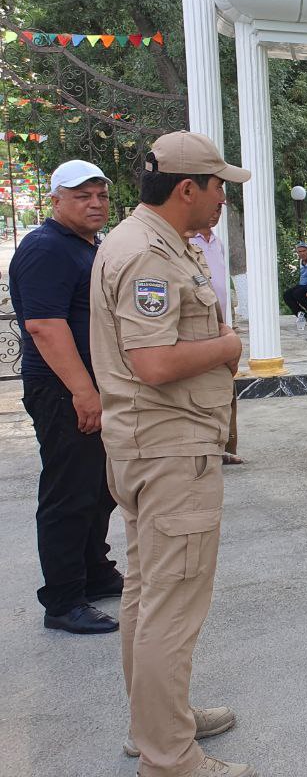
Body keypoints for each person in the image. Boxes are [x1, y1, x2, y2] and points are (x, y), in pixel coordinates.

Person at [89, 130, 254, 777]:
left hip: (148, 444)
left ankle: (155, 724)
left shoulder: (151, 242)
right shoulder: (147, 255)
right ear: (188, 188)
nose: (222, 200)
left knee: (149, 593)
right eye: (218, 187)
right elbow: (154, 362)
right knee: (172, 604)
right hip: (167, 446)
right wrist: (227, 347)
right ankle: (168, 759)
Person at [10, 159, 123, 634]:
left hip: (89, 386)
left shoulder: (87, 247)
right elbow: (44, 326)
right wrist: (84, 393)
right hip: (63, 390)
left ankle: (93, 571)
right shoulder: (45, 248)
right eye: (82, 196)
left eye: (100, 195)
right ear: (55, 199)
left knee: (98, 489)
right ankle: (63, 599)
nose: (95, 203)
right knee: (69, 494)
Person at [189, 205, 242, 466]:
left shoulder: (216, 242)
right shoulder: (187, 242)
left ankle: (224, 446)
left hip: (220, 327)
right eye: (210, 207)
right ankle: (206, 448)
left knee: (225, 391)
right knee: (205, 394)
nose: (215, 213)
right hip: (200, 331)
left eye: (219, 208)